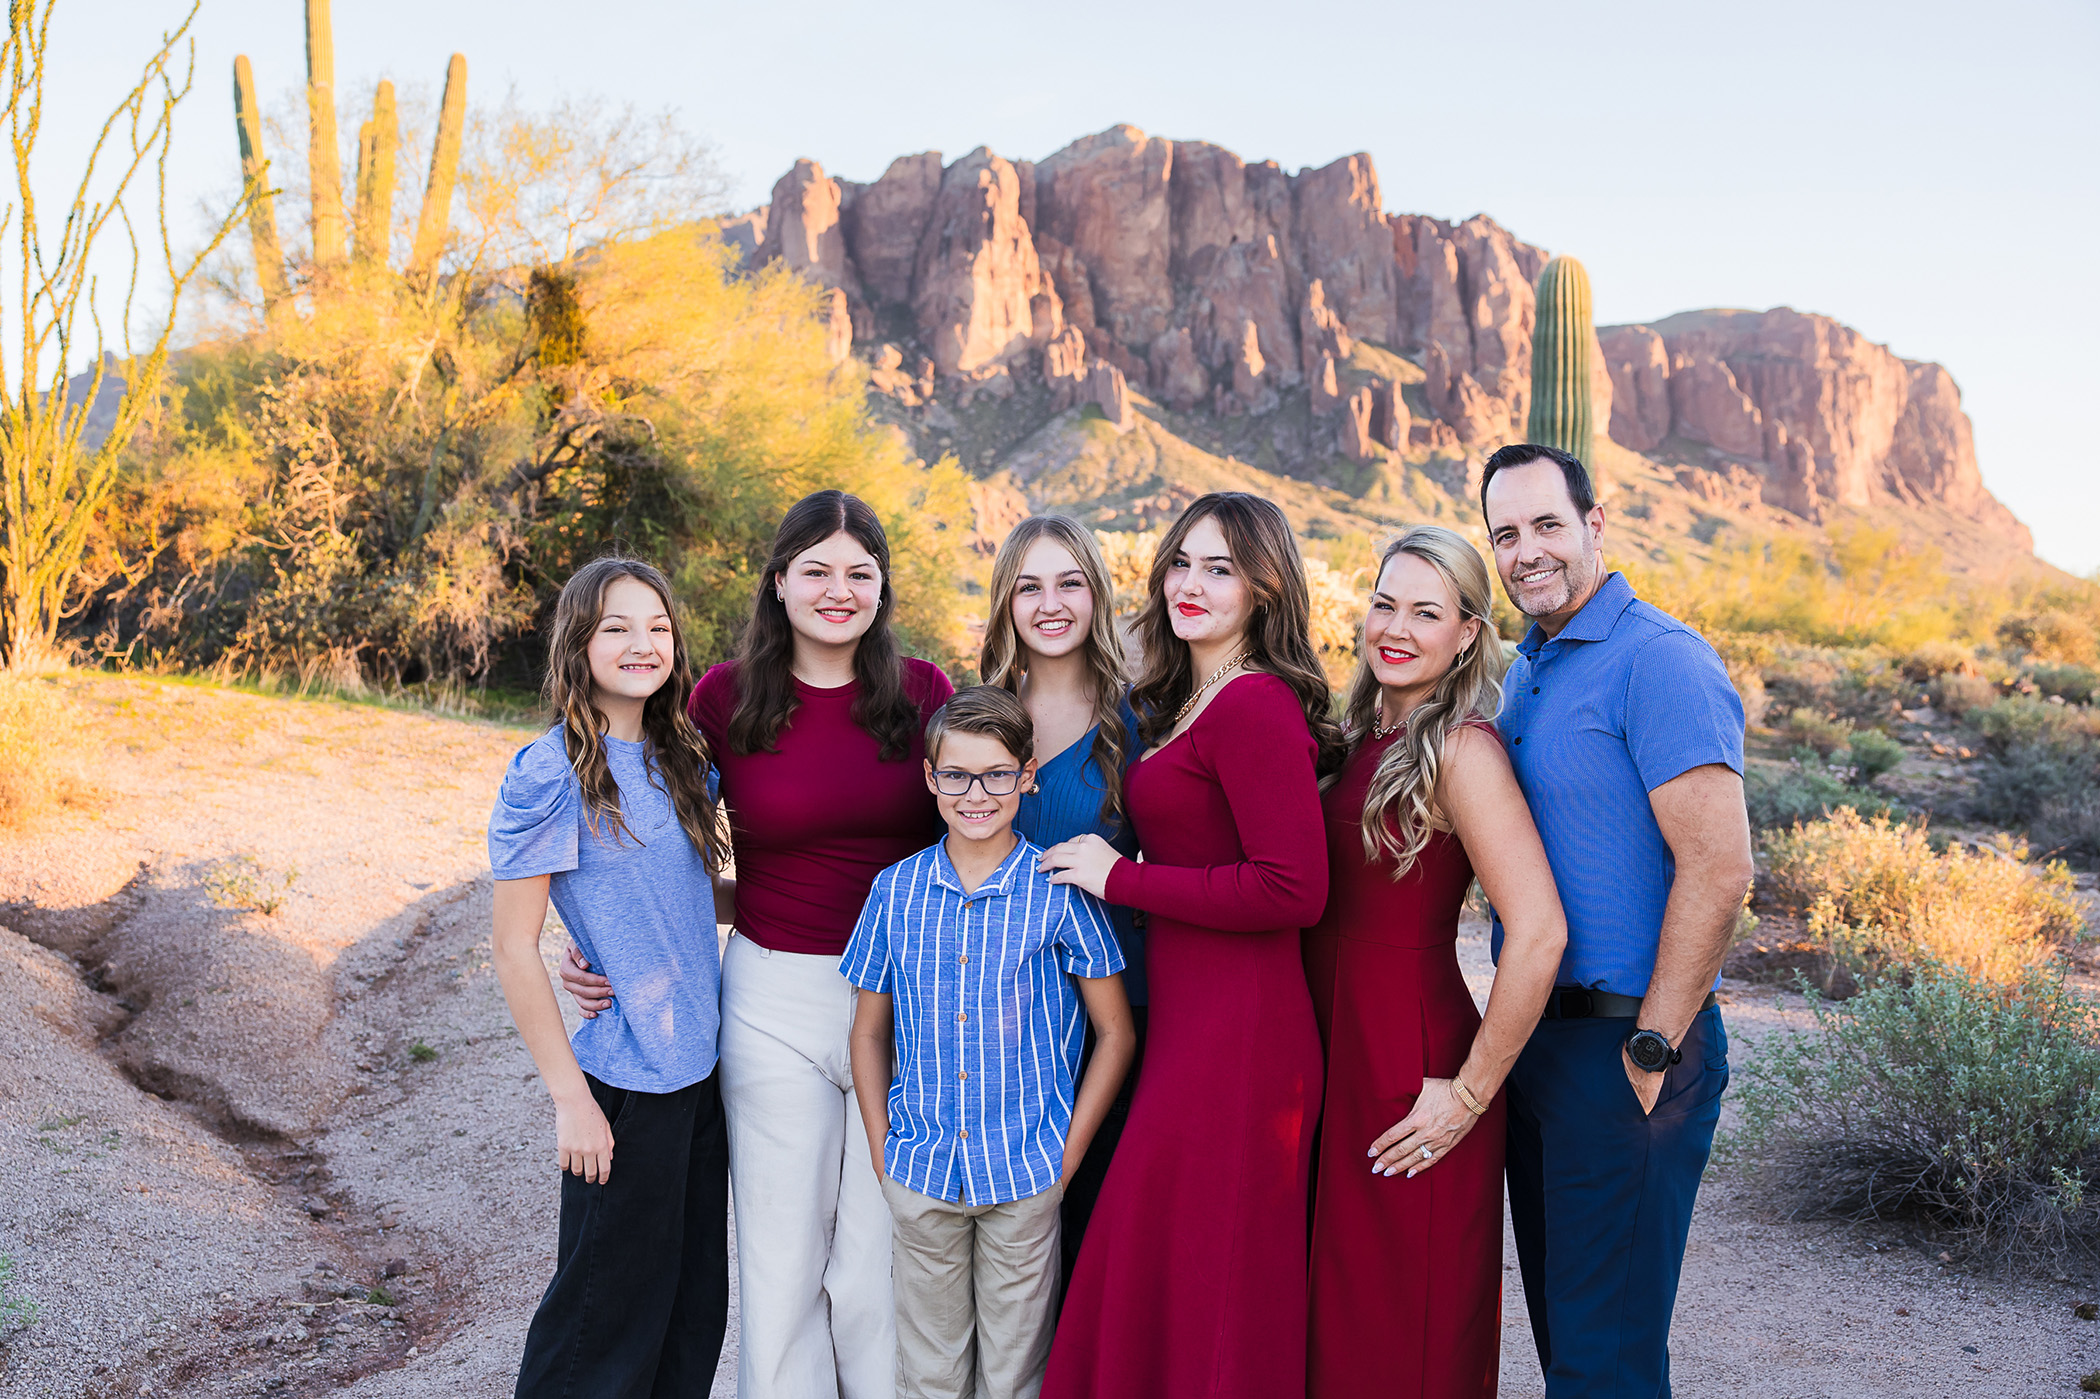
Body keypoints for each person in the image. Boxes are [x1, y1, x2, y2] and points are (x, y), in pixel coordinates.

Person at [561, 490, 954, 1399]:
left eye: (860, 572)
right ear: (779, 582)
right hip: (772, 997)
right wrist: (605, 949)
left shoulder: (923, 692)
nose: (838, 590)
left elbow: (972, 833)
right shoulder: (723, 699)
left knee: (872, 1265)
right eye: (816, 569)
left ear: (883, 587)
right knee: (781, 1262)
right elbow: (651, 840)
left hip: (904, 1005)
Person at [1037, 492, 1346, 1399]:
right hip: (1190, 1023)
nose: (1192, 583)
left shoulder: (1254, 704)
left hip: (1242, 1039)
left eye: (1220, 567)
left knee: (1209, 1276)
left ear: (1264, 586)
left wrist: (1118, 875)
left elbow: (1295, 886)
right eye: (1181, 561)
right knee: (1164, 1263)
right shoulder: (1184, 699)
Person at [1480, 444, 1754, 1399]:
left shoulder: (1661, 661)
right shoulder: (1530, 672)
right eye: (1505, 533)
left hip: (1631, 1046)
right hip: (1541, 1046)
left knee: (1611, 1359)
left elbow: (1720, 870)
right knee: (1567, 1339)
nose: (1527, 551)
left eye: (1547, 524)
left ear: (1595, 525)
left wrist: (1651, 1047)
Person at [1302, 527, 1566, 1399]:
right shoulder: (1342, 735)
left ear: (1466, 633)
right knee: (1322, 1312)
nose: (1397, 628)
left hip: (1408, 1060)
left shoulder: (1463, 750)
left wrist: (1467, 1092)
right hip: (1318, 1051)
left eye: (1426, 611)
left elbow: (1537, 932)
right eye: (1384, 604)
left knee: (1399, 1323)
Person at [843, 685, 1137, 1399]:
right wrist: (886, 1155)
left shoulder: (1059, 890)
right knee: (933, 1372)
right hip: (923, 1173)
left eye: (998, 773)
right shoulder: (895, 892)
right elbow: (869, 1030)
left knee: (1015, 1374)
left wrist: (1063, 1161)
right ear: (930, 777)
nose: (976, 792)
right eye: (956, 775)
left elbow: (1115, 1033)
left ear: (1027, 775)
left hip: (1026, 1176)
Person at [487, 557, 734, 1398]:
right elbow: (515, 945)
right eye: (618, 627)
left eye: (658, 626)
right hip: (624, 1087)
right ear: (579, 642)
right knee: (600, 1332)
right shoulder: (548, 770)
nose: (642, 643)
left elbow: (688, 896)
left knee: (690, 1316)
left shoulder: (684, 759)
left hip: (701, 1076)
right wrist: (570, 1100)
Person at [977, 515, 1145, 1287]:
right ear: (1006, 600)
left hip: (1106, 1015)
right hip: (992, 1018)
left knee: (1088, 1238)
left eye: (1070, 582)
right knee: (999, 1257)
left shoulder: (1137, 723)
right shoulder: (976, 721)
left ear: (1096, 595)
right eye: (1030, 585)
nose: (1051, 603)